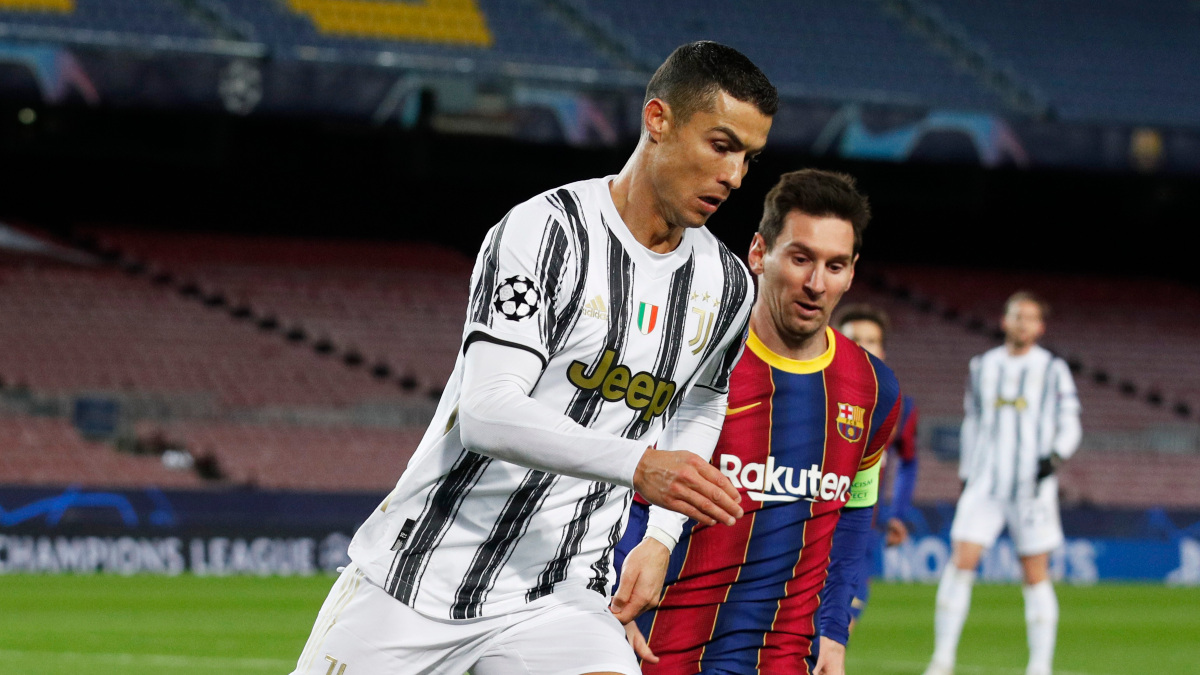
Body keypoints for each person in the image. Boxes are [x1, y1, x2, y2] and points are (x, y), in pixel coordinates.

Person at [289, 41, 777, 675]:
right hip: (418, 579)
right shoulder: (544, 233)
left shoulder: (728, 285)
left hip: (559, 597)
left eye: (749, 157)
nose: (736, 176)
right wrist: (640, 465)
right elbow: (488, 415)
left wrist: (659, 537)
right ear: (657, 120)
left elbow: (702, 401)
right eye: (720, 145)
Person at [611, 169, 902, 675]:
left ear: (852, 273)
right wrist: (613, 589)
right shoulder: (691, 360)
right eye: (800, 258)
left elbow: (854, 510)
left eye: (834, 266)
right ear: (758, 253)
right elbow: (619, 489)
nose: (816, 283)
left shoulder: (874, 389)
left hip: (782, 657)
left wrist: (833, 629)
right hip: (659, 647)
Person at [922, 292, 1081, 675]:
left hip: (1032, 487)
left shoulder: (1053, 369)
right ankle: (942, 660)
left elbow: (1070, 418)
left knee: (1035, 572)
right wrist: (966, 473)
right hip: (985, 483)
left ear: (1040, 327)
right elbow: (972, 421)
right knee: (961, 562)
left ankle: (1040, 666)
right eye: (1016, 315)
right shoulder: (982, 367)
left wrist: (1056, 456)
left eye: (1030, 317)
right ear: (1004, 320)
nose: (1022, 323)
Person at [835, 304, 920, 631]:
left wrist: (896, 512)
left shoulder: (900, 407)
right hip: (805, 527)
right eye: (854, 338)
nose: (862, 346)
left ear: (882, 350)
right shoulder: (810, 391)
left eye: (871, 340)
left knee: (836, 634)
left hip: (860, 532)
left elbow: (909, 461)